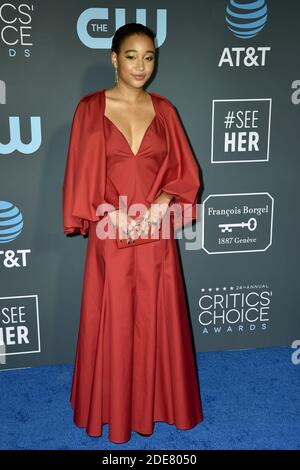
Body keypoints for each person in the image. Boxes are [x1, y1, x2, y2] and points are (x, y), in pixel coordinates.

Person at [62, 22, 204, 444]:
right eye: (131, 56)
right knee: (116, 321)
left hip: (156, 234)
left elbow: (186, 174)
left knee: (156, 319)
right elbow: (80, 177)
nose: (141, 65)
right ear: (113, 59)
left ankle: (156, 406)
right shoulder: (90, 108)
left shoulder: (165, 110)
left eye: (149, 57)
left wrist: (162, 204)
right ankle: (114, 410)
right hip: (112, 234)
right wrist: (110, 211)